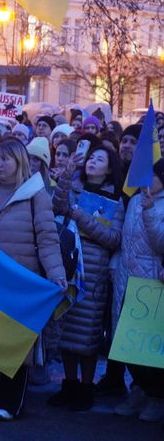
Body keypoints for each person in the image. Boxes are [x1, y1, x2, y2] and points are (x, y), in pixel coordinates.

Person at [0, 138, 67, 421]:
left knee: (12, 341)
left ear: (20, 163)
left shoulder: (36, 195)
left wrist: (56, 273)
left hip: (17, 284)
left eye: (5, 159)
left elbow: (47, 238)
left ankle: (8, 401)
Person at [48, 143, 124, 411]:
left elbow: (113, 239)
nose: (92, 162)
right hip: (68, 264)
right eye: (90, 158)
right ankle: (68, 385)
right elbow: (58, 205)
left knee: (88, 333)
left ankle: (85, 388)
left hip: (94, 271)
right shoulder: (75, 186)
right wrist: (67, 175)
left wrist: (80, 216)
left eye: (99, 159)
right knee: (66, 326)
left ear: (109, 167)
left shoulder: (116, 199)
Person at [112, 159, 164, 422]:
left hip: (153, 284)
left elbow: (161, 243)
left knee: (151, 347)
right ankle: (139, 390)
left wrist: (150, 211)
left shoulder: (155, 204)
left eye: (151, 176)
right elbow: (124, 238)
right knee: (128, 344)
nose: (145, 180)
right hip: (127, 279)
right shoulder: (134, 201)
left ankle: (157, 396)